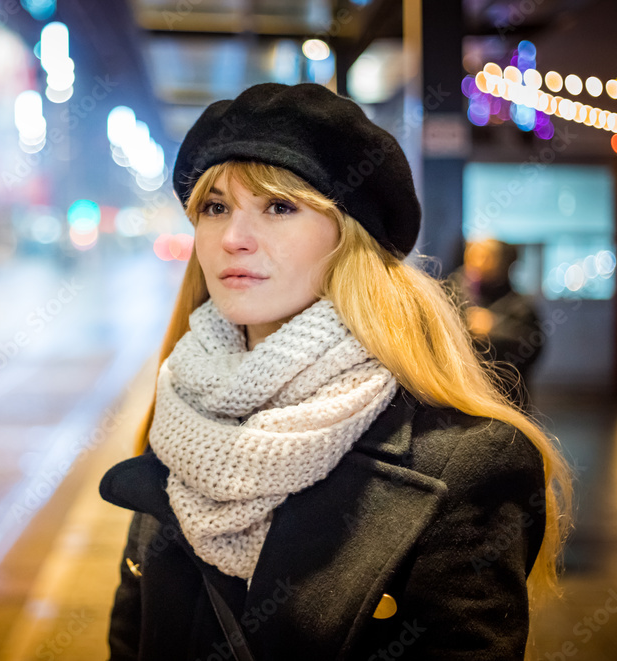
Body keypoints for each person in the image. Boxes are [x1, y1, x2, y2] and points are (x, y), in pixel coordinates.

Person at [98, 82, 572, 661]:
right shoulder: (179, 417)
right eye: (215, 207)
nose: (234, 239)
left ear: (349, 240)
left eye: (279, 207)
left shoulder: (468, 461)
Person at [445, 238, 543, 412]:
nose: (477, 263)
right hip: (459, 402)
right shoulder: (451, 293)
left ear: (503, 263)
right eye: (472, 255)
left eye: (486, 257)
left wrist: (494, 327)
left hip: (506, 402)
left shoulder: (518, 305)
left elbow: (534, 345)